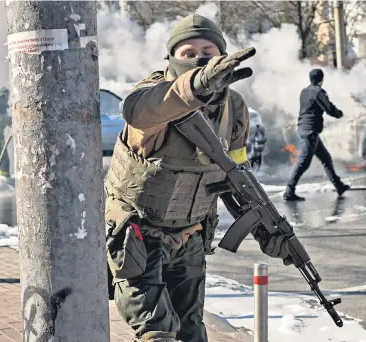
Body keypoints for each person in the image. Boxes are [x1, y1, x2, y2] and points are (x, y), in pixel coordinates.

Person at [104, 13, 292, 342]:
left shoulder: (233, 108)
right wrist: (196, 85)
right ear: (170, 59)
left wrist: (267, 231)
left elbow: (237, 176)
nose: (200, 59)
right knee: (158, 332)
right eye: (188, 53)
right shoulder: (153, 96)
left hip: (189, 237)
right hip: (138, 238)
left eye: (208, 51)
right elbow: (137, 111)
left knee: (191, 332)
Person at [283, 69, 350, 201]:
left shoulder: (304, 91)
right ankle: (289, 191)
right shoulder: (318, 92)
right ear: (321, 79)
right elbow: (329, 109)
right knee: (303, 163)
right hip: (310, 132)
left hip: (305, 129)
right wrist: (340, 113)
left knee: (326, 159)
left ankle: (339, 186)